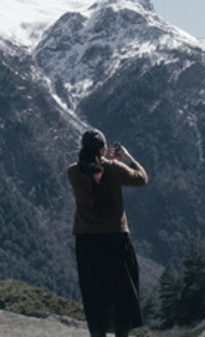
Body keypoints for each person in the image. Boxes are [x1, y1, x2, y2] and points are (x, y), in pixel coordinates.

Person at [67, 128, 148, 337]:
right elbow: (141, 178)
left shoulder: (73, 172)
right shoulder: (113, 169)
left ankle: (98, 333)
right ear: (103, 148)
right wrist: (126, 158)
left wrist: (104, 159)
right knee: (121, 292)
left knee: (94, 293)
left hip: (86, 241)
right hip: (115, 238)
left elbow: (93, 175)